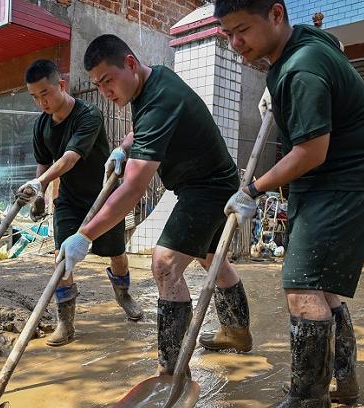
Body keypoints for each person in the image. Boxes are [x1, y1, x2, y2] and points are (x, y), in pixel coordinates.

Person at [216, 1, 364, 406]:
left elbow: (310, 151)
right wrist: (279, 91)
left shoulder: (301, 69)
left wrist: (252, 191)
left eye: (243, 30)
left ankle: (308, 399)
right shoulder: (302, 48)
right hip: (334, 179)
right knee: (322, 288)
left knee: (301, 287)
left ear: (276, 15)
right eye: (228, 34)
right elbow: (331, 43)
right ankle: (343, 381)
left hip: (339, 179)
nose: (236, 43)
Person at [58, 34, 253, 376]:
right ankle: (236, 332)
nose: (104, 91)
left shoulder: (161, 97)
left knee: (164, 264)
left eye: (107, 80)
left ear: (130, 64)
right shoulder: (149, 83)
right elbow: (141, 126)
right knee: (212, 259)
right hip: (201, 183)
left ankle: (173, 366)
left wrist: (84, 235)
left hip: (207, 187)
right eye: (97, 84)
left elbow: (134, 188)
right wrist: (124, 147)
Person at [14, 59, 144, 347]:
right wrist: (39, 192)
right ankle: (66, 322)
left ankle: (124, 295)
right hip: (69, 201)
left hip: (102, 197)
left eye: (45, 93)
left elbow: (70, 158)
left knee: (116, 253)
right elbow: (44, 163)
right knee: (62, 259)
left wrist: (41, 182)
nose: (41, 102)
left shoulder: (89, 115)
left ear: (61, 85)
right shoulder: (41, 126)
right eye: (35, 96)